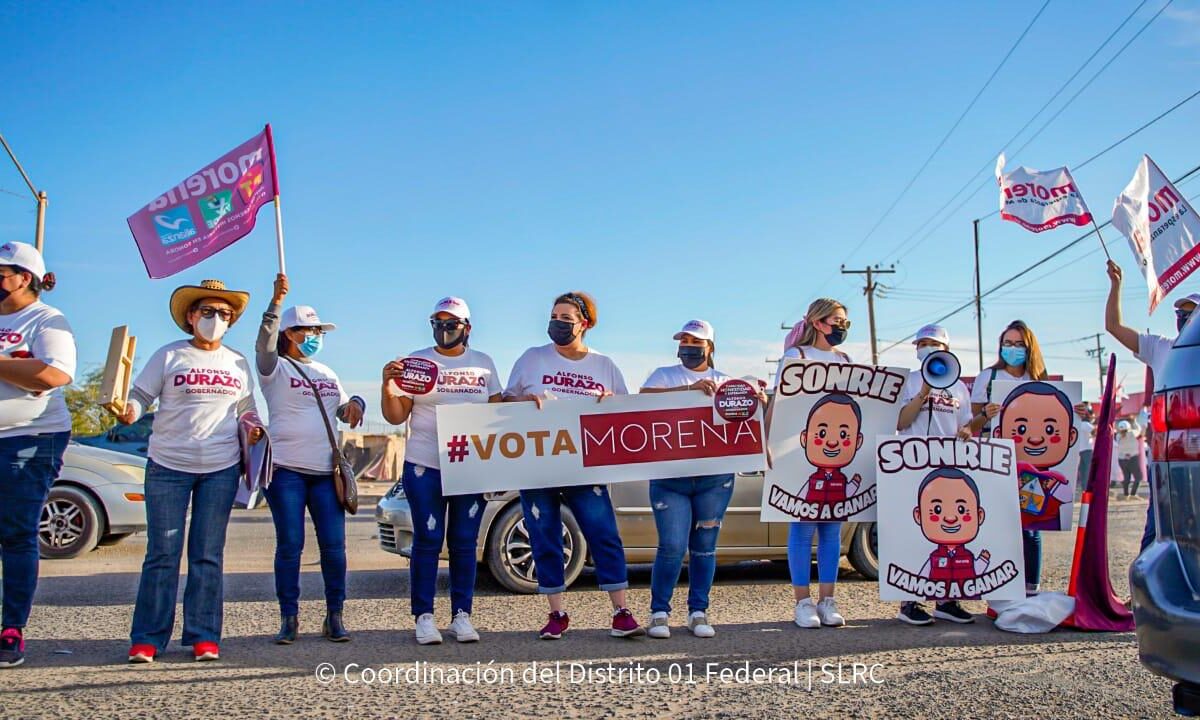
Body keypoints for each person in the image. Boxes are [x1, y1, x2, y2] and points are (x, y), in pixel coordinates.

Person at [120, 279, 263, 663]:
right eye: (208, 312)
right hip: (168, 466)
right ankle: (148, 638)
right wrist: (128, 410)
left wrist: (253, 426)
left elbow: (245, 409)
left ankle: (203, 636)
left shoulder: (236, 361)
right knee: (163, 553)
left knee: (207, 554)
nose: (217, 319)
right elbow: (139, 397)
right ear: (190, 316)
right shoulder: (169, 356)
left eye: (225, 314)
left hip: (221, 468)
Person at [503, 291, 643, 640]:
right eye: (554, 316)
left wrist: (610, 404)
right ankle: (557, 614)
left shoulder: (604, 365)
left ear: (585, 323)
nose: (557, 324)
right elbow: (504, 403)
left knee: (603, 533)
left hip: (587, 466)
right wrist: (523, 400)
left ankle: (621, 611)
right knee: (544, 536)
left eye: (566, 318)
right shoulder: (532, 359)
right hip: (537, 463)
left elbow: (625, 412)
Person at [381, 296, 502, 645]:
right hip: (425, 464)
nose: (444, 330)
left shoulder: (484, 364)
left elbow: (498, 411)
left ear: (467, 327)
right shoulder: (418, 362)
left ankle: (462, 615)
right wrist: (387, 386)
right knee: (428, 539)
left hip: (470, 465)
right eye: (438, 323)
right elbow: (395, 415)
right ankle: (423, 616)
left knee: (464, 541)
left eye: (451, 324)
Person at [256, 273, 364, 645]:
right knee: (290, 545)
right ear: (289, 333)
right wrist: (275, 303)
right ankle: (289, 617)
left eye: (319, 330)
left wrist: (356, 405)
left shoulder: (328, 372)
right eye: (306, 330)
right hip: (285, 470)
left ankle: (335, 615)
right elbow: (264, 345)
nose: (315, 336)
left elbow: (344, 406)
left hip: (325, 473)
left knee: (334, 546)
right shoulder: (275, 368)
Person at [640, 319, 755, 639]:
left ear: (710, 347)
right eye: (684, 340)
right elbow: (642, 400)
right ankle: (659, 612)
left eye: (696, 341)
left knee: (705, 546)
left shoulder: (726, 381)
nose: (688, 346)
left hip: (714, 480)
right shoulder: (664, 375)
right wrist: (688, 390)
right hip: (669, 478)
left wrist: (757, 396)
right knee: (672, 546)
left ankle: (698, 611)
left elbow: (747, 417)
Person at [0, 242, 74, 669]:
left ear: (22, 277)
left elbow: (51, 374)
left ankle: (11, 629)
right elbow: (27, 373)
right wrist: (15, 365)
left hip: (30, 437)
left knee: (15, 533)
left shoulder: (46, 319)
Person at [1105, 258, 1199, 551]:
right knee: (1158, 526)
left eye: (1191, 314)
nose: (1183, 318)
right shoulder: (1161, 347)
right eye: (1179, 313)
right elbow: (1114, 326)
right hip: (1170, 455)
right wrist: (1116, 286)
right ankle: (1147, 591)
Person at [771, 298, 853, 629]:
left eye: (846, 322)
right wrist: (767, 443)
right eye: (837, 320)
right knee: (802, 528)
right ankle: (802, 602)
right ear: (818, 322)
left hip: (837, 454)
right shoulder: (796, 357)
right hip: (798, 450)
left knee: (832, 528)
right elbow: (778, 401)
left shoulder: (846, 359)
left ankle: (828, 599)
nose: (842, 327)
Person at [894, 324, 981, 626]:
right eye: (921, 343)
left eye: (932, 343)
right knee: (914, 532)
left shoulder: (959, 387)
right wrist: (923, 394)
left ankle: (946, 600)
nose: (926, 347)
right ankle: (909, 601)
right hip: (913, 466)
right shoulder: (909, 381)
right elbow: (902, 423)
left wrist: (968, 432)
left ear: (946, 348)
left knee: (947, 534)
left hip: (948, 468)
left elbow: (965, 425)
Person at [1115, 419, 1143, 500]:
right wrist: (1135, 421)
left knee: (1126, 477)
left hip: (1121, 459)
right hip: (1132, 458)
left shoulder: (1118, 436)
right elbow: (1139, 430)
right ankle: (1133, 494)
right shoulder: (1132, 433)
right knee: (1138, 477)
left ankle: (1126, 494)